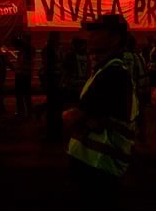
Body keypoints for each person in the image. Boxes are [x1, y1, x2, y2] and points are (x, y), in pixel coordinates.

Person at [66, 14, 137, 211]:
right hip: (95, 164)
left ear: (114, 38)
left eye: (97, 32)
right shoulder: (105, 70)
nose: (90, 36)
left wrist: (73, 117)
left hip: (99, 167)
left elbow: (79, 117)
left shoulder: (112, 73)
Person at [122, 34, 150, 142]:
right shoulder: (139, 56)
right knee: (140, 115)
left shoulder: (122, 56)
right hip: (139, 90)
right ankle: (142, 136)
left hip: (126, 91)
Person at [38, 31, 64, 142]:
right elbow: (50, 65)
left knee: (53, 107)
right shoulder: (51, 50)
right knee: (53, 108)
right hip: (52, 80)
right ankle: (53, 132)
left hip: (52, 80)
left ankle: (53, 132)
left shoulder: (51, 49)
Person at [62, 38, 90, 105]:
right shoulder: (86, 56)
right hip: (83, 84)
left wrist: (62, 83)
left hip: (72, 85)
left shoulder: (71, 56)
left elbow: (66, 71)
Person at [14, 34, 33, 120]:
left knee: (21, 94)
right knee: (26, 95)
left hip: (22, 74)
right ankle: (27, 112)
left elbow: (22, 62)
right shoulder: (29, 50)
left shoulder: (26, 50)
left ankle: (22, 112)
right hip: (25, 74)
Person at [0, 44, 16, 117]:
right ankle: (2, 108)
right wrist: (15, 70)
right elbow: (8, 63)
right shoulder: (2, 55)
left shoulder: (2, 54)